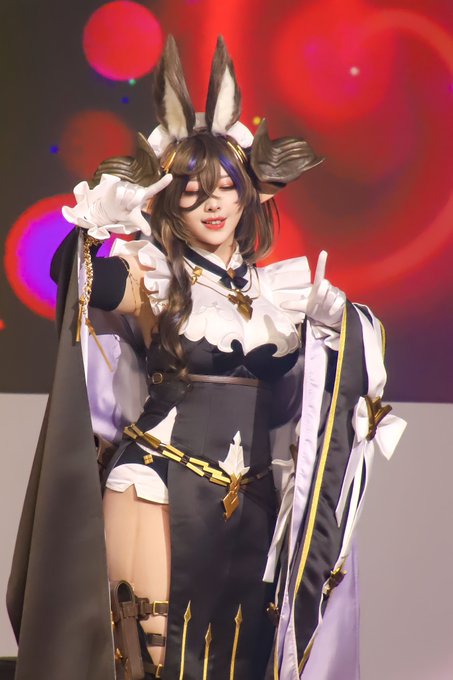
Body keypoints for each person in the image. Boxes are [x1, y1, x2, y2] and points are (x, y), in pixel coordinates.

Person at [7, 36, 406, 680]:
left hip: (253, 508)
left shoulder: (283, 294)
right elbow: (75, 281)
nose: (214, 203)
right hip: (157, 490)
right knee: (152, 664)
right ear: (169, 199)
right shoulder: (152, 275)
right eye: (193, 190)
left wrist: (342, 328)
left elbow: (336, 400)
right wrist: (93, 229)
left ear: (251, 194)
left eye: (227, 187)